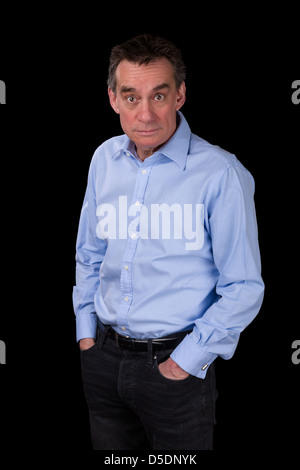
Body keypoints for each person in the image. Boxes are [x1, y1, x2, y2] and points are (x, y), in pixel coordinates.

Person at [73, 34, 264, 450]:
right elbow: (89, 254)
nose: (145, 114)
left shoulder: (220, 174)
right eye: (131, 97)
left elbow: (244, 287)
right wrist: (86, 334)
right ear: (112, 99)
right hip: (102, 361)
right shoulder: (103, 159)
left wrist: (185, 362)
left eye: (158, 95)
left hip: (175, 368)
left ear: (180, 95)